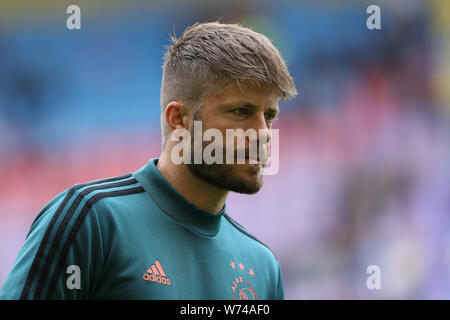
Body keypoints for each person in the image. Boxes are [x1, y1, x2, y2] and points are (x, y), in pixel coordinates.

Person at [0, 21, 297, 299]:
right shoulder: (92, 221)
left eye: (269, 116)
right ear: (178, 119)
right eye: (241, 112)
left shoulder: (263, 268)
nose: (263, 134)